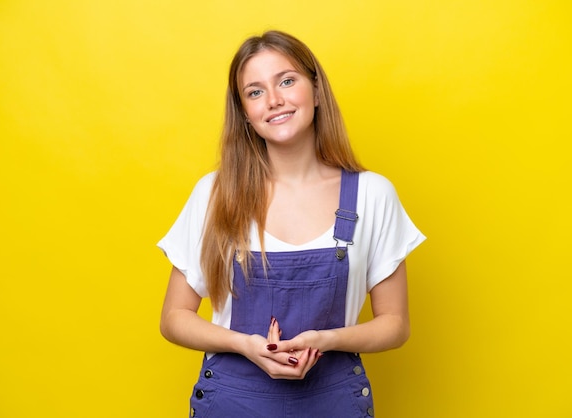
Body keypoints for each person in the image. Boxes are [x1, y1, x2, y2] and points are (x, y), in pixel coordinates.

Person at [158, 30, 425, 418]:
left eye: (286, 81)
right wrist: (248, 346)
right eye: (255, 92)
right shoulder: (215, 194)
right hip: (233, 402)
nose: (274, 100)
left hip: (333, 402)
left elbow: (395, 324)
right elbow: (173, 318)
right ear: (245, 115)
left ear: (316, 91)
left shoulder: (372, 194)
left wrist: (326, 340)